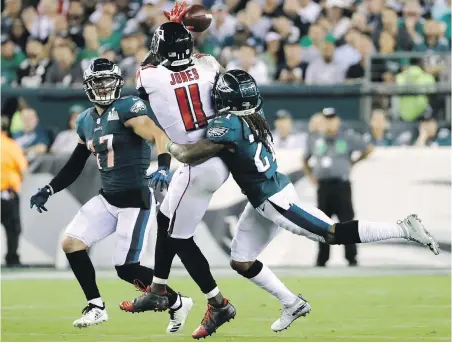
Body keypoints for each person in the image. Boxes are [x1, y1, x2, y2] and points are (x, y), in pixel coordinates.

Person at [165, 69, 439, 332]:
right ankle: (291, 303)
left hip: (274, 200)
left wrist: (166, 142)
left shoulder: (228, 125)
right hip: (265, 195)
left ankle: (403, 228)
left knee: (330, 233)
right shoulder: (253, 113)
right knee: (241, 261)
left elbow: (188, 154)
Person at [29, 58, 191, 330]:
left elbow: (158, 136)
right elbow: (75, 164)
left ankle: (176, 301)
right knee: (71, 243)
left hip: (134, 201)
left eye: (108, 81)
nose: (104, 87)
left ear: (117, 83)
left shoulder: (128, 107)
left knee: (126, 269)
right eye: (98, 82)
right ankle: (96, 306)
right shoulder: (84, 120)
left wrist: (164, 166)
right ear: (88, 86)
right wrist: (49, 188)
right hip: (108, 198)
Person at [122, 3, 236, 339]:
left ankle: (218, 302)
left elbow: (150, 64)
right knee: (165, 216)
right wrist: (186, 30)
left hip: (196, 163)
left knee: (178, 238)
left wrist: (172, 27)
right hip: (215, 154)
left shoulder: (150, 75)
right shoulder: (210, 64)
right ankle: (158, 288)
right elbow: (207, 66)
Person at [303, 108, 373, 267]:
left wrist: (353, 162)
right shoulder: (314, 138)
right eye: (326, 118)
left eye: (332, 118)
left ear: (338, 121)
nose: (330, 122)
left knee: (347, 223)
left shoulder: (347, 136)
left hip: (341, 186)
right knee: (321, 224)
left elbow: (368, 148)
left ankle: (351, 258)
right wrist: (311, 176)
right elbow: (305, 159)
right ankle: (322, 259)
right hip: (324, 187)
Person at [1, 116, 28, 267]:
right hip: (7, 193)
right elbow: (23, 170)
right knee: (12, 229)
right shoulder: (10, 146)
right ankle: (12, 258)